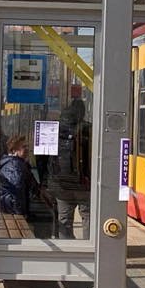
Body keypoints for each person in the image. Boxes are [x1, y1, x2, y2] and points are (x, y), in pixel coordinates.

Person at [47, 98, 91, 239]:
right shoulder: (88, 129)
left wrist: (48, 180)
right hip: (83, 185)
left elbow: (45, 158)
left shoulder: (55, 130)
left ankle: (67, 247)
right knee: (88, 217)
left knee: (64, 219)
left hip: (61, 185)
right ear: (82, 112)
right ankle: (88, 246)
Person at [0, 135, 38, 216]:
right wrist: (19, 212)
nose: (27, 149)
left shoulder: (18, 163)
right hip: (12, 209)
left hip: (9, 207)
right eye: (23, 147)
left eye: (27, 146)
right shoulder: (14, 165)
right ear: (14, 150)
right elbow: (16, 191)